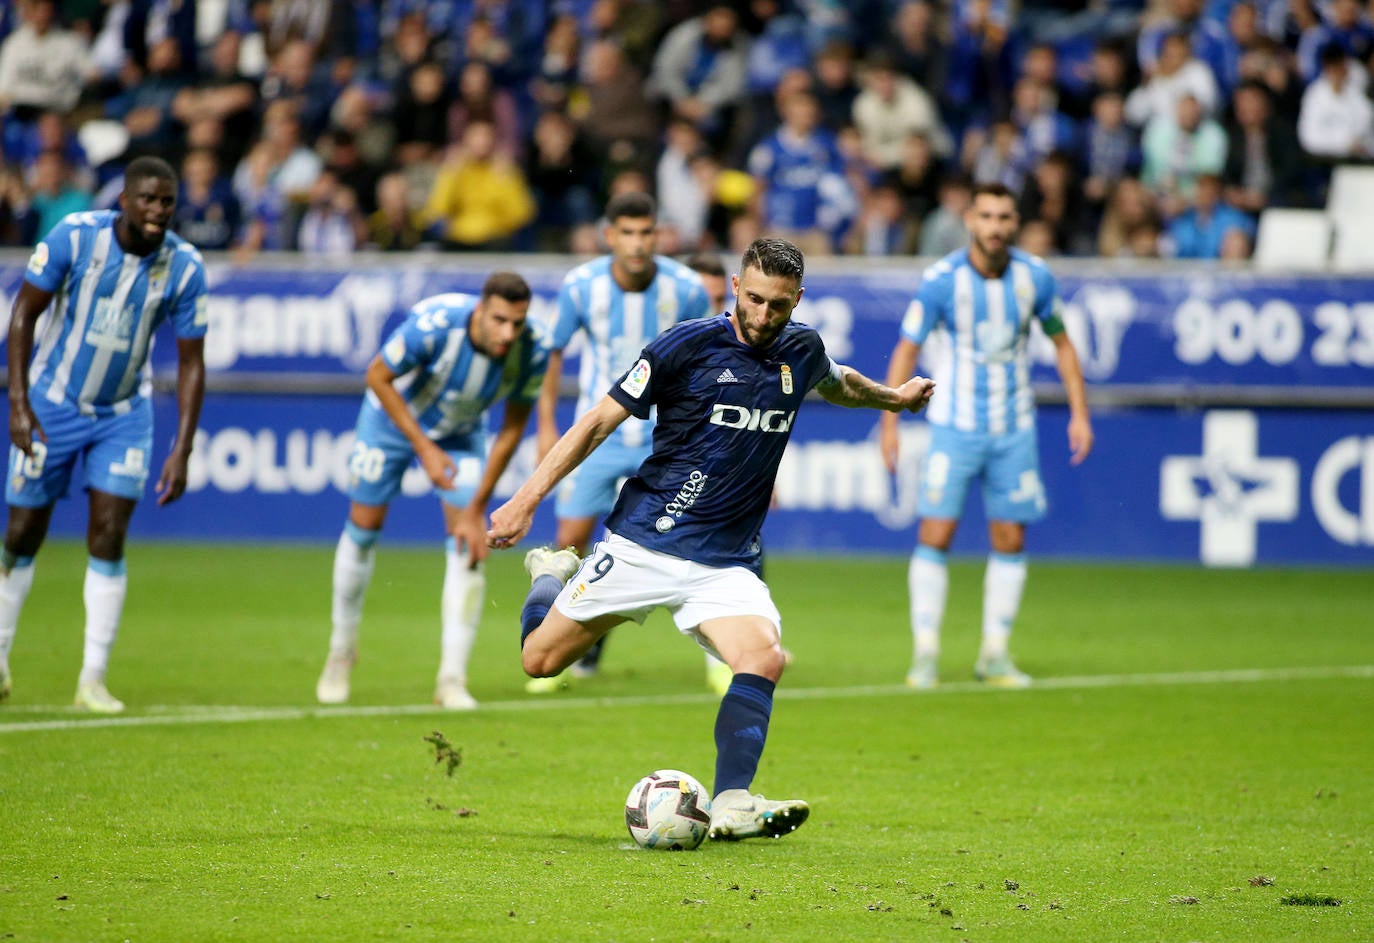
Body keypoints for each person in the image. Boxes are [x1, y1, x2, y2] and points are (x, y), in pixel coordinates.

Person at [487, 237, 936, 841]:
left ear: (797, 300)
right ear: (734, 286)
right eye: (754, 299)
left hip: (726, 563)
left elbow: (839, 383)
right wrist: (526, 498)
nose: (763, 315)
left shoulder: (801, 348)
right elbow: (595, 421)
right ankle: (551, 573)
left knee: (764, 658)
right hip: (646, 542)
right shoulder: (685, 346)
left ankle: (732, 802)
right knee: (538, 661)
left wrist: (895, 400)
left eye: (778, 305)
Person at [0, 156, 208, 713]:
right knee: (21, 534)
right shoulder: (75, 238)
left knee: (109, 533)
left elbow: (191, 363)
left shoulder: (185, 268)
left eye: (166, 201)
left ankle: (92, 678)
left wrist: (182, 448)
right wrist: (18, 404)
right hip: (52, 402)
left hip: (123, 414)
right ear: (124, 200)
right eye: (148, 199)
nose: (158, 210)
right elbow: (24, 315)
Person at [879, 182, 1093, 691]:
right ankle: (925, 654)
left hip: (1013, 427)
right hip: (953, 426)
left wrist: (1079, 413)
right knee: (935, 533)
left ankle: (994, 654)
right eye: (987, 216)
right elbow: (906, 349)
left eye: (1005, 217)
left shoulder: (1035, 278)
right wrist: (888, 420)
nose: (996, 226)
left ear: (1014, 223)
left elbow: (1063, 345)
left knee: (1010, 537)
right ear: (970, 221)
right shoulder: (941, 280)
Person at [315, 273, 548, 711]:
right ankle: (341, 650)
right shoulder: (436, 327)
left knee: (469, 544)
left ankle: (452, 678)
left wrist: (477, 505)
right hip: (390, 424)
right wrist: (423, 447)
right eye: (499, 320)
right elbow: (378, 376)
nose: (507, 333)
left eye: (516, 323)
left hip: (460, 435)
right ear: (479, 312)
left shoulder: (533, 347)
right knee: (364, 530)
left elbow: (513, 427)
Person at [524, 192, 710, 694]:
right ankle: (563, 652)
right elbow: (552, 354)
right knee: (571, 542)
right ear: (609, 236)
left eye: (645, 232)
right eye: (626, 233)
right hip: (599, 436)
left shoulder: (687, 287)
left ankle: (720, 659)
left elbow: (707, 358)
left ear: (659, 234)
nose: (637, 243)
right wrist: (546, 425)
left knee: (694, 541)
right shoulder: (581, 287)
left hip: (663, 439)